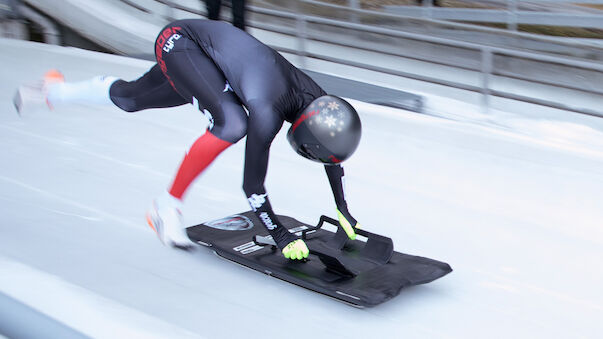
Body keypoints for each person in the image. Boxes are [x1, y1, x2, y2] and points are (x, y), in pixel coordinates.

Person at [15, 19, 362, 260]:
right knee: (231, 124)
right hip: (185, 43)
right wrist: (281, 236)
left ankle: (53, 89)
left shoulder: (319, 100)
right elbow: (252, 185)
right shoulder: (267, 113)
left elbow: (330, 153)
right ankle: (166, 207)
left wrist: (341, 207)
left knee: (130, 100)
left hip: (206, 53)